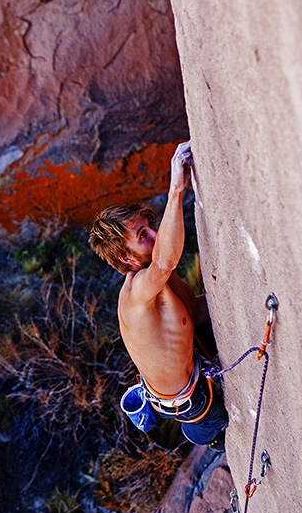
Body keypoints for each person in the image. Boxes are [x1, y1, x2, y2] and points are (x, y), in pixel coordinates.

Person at [88, 141, 228, 450]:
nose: (154, 234)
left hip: (196, 352)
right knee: (224, 428)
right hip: (192, 401)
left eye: (149, 227)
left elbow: (195, 311)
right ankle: (203, 436)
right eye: (142, 235)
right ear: (126, 259)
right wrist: (176, 189)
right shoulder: (138, 292)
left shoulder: (155, 275)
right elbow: (166, 260)